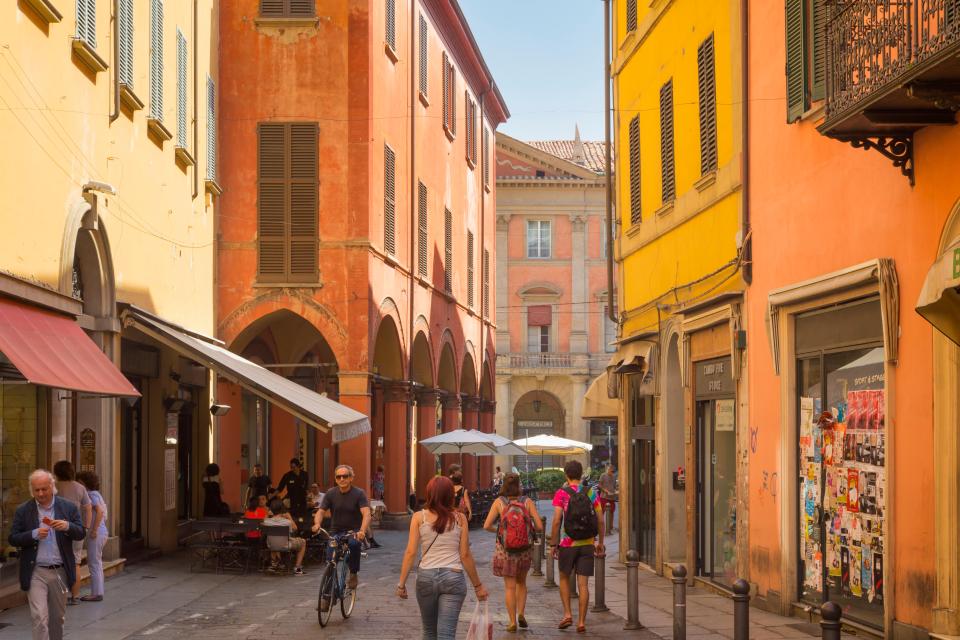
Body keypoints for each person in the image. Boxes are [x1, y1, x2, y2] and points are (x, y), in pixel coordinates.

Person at [397, 475, 488, 640]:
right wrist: (478, 586)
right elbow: (465, 554)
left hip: (426, 576)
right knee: (447, 635)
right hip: (453, 576)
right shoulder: (460, 518)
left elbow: (410, 552)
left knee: (428, 632)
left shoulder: (419, 517)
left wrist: (401, 584)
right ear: (450, 495)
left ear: (429, 493)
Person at [9, 469, 85, 640]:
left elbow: (80, 533)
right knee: (39, 618)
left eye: (44, 489)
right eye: (37, 490)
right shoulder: (24, 510)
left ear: (52, 487)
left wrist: (67, 526)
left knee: (56, 619)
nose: (41, 493)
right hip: (36, 571)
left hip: (60, 571)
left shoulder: (67, 507)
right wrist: (33, 534)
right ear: (32, 490)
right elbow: (13, 538)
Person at [483, 472, 543, 633]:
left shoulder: (499, 502)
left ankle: (511, 622)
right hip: (524, 551)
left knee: (509, 587)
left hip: (505, 551)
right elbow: (539, 526)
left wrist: (501, 531)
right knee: (521, 583)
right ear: (519, 485)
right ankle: (521, 613)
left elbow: (486, 525)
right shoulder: (527, 501)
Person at [549, 460, 604, 634]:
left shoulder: (561, 494)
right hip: (587, 543)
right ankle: (581, 622)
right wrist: (600, 542)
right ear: (581, 475)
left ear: (566, 474)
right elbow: (601, 520)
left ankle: (567, 614)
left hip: (567, 543)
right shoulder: (591, 493)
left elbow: (557, 520)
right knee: (583, 585)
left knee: (564, 578)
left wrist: (553, 543)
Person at [312, 464, 371, 606]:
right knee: (330, 561)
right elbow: (320, 511)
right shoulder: (331, 493)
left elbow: (366, 513)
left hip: (353, 531)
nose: (342, 479)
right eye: (339, 476)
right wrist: (317, 524)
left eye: (345, 476)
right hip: (335, 531)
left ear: (351, 478)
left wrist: (362, 531)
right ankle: (327, 597)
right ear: (335, 479)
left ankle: (353, 573)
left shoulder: (359, 493)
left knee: (354, 544)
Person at [52, 461, 90, 606]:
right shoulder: (80, 488)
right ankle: (74, 595)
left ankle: (59, 595)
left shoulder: (54, 487)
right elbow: (87, 507)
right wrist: (85, 527)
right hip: (75, 527)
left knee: (57, 561)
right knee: (75, 562)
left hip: (56, 528)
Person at [75, 472, 107, 602]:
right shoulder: (97, 494)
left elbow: (99, 512)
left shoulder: (91, 496)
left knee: (94, 563)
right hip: (101, 532)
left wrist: (93, 530)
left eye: (80, 481)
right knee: (96, 562)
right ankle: (98, 591)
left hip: (97, 532)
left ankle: (96, 593)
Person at [263, 503, 307, 575]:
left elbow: (264, 520)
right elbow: (295, 528)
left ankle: (274, 564)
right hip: (285, 545)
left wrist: (267, 514)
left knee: (275, 539)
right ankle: (297, 568)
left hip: (271, 545)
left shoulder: (266, 521)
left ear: (271, 510)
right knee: (303, 542)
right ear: (282, 510)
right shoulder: (287, 522)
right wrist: (289, 517)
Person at [598, 463, 618, 532]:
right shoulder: (603, 475)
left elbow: (614, 486)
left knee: (612, 511)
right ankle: (599, 527)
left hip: (612, 497)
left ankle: (610, 527)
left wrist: (615, 491)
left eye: (613, 471)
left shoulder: (614, 477)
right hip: (604, 497)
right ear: (608, 469)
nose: (612, 472)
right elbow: (599, 485)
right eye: (611, 471)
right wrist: (606, 491)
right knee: (602, 512)